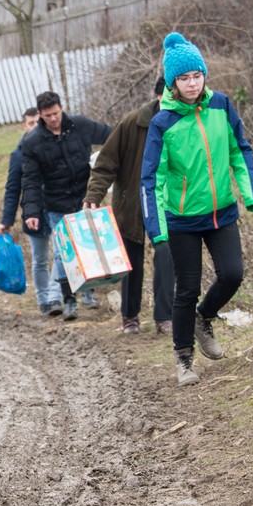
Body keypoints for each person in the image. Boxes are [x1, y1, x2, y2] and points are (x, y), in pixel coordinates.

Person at [142, 33, 253, 384]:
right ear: (172, 83)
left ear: (204, 75)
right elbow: (151, 179)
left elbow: (240, 149)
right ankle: (184, 359)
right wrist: (157, 228)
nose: (192, 84)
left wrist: (249, 192)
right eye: (184, 78)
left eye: (197, 76)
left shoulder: (221, 105)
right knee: (187, 288)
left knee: (233, 274)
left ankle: (203, 317)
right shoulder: (163, 123)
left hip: (222, 211)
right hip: (182, 219)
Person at [84, 79, 175, 335]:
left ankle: (164, 317)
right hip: (131, 201)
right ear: (158, 97)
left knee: (166, 254)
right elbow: (105, 164)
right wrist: (94, 194)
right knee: (131, 260)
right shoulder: (132, 123)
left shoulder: (182, 122)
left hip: (165, 202)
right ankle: (130, 317)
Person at [22, 90, 111, 321]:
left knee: (89, 246)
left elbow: (111, 136)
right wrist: (31, 212)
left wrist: (107, 164)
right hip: (56, 203)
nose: (53, 119)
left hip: (85, 197)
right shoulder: (33, 143)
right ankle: (69, 300)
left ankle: (88, 292)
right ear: (40, 115)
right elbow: (30, 181)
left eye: (56, 113)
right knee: (64, 253)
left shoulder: (80, 126)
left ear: (61, 108)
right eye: (48, 115)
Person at [0, 107, 63, 314]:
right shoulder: (18, 155)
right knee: (40, 259)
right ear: (24, 126)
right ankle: (43, 299)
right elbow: (13, 189)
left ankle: (55, 296)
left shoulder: (55, 146)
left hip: (57, 208)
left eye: (38, 122)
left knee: (61, 254)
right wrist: (7, 219)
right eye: (31, 123)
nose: (35, 127)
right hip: (32, 213)